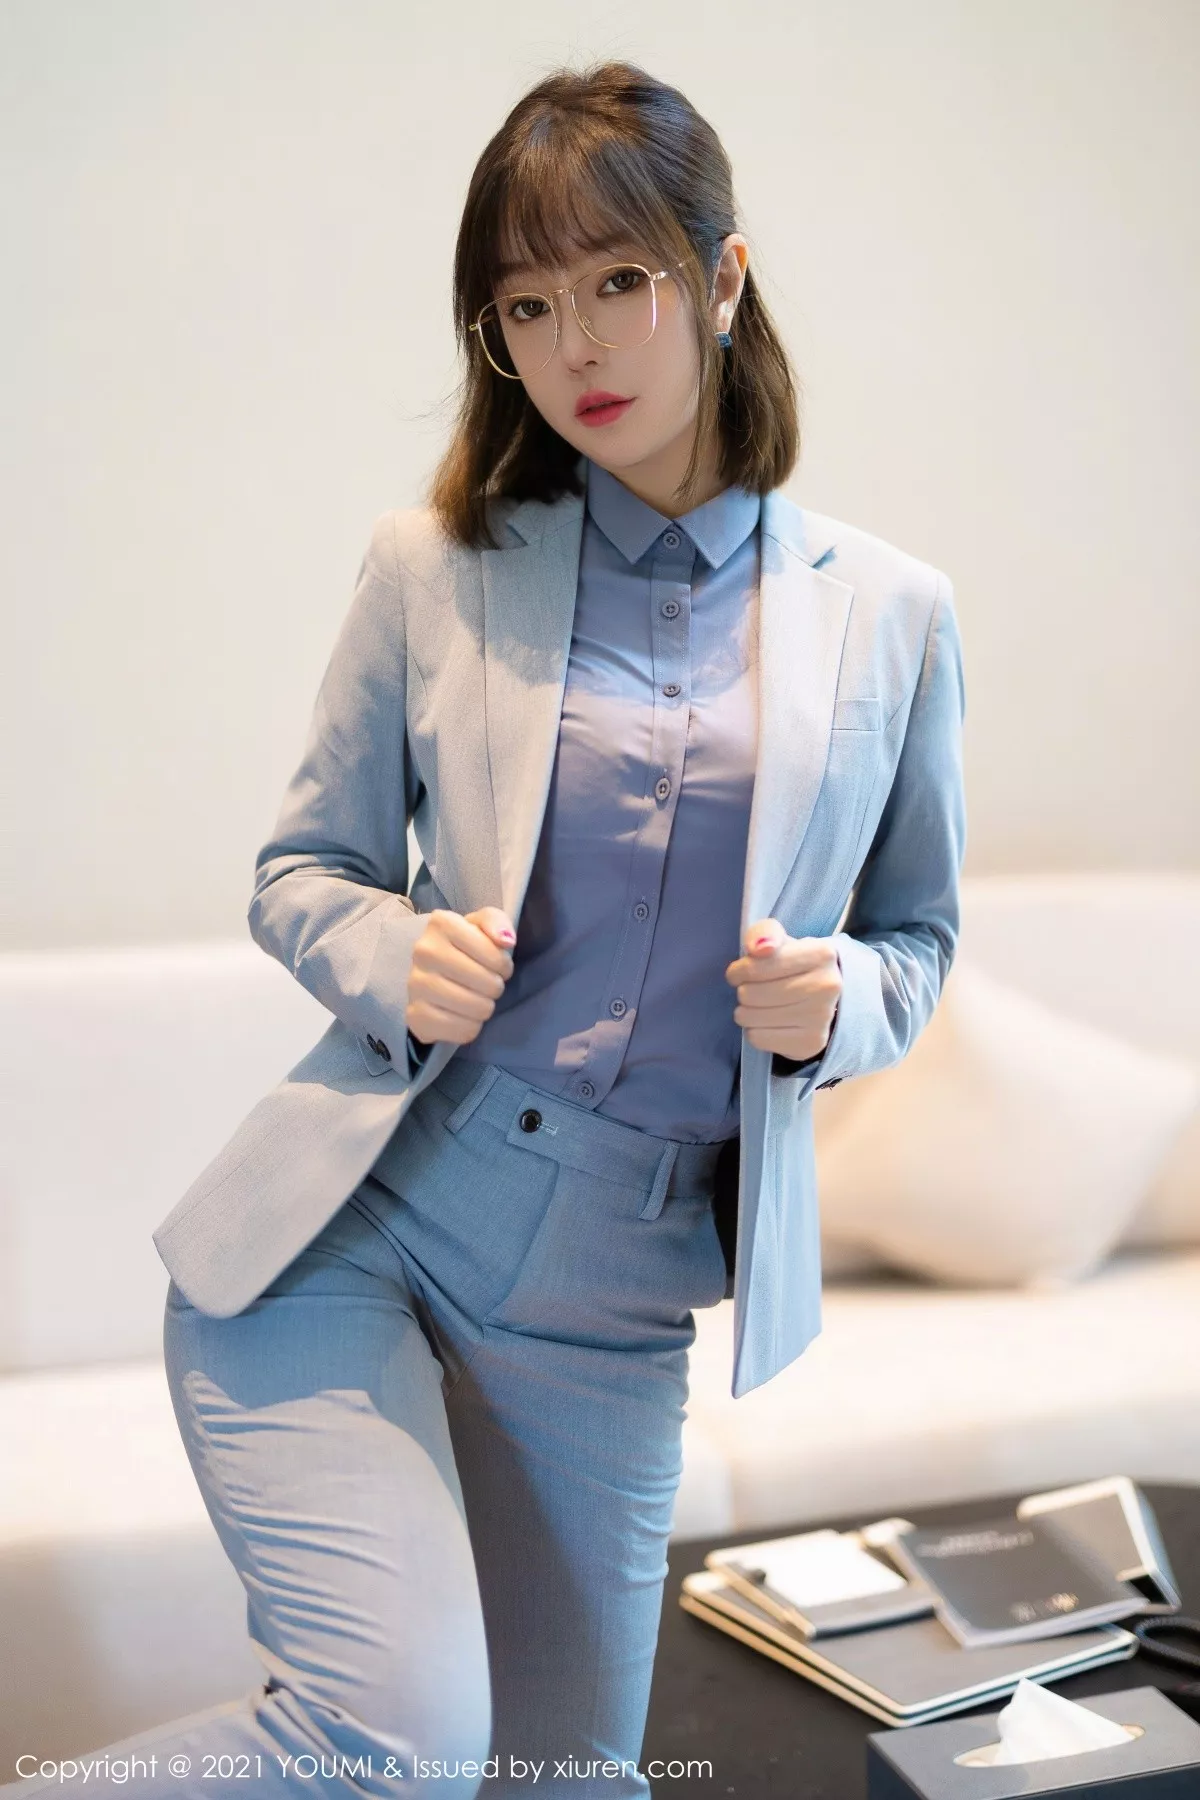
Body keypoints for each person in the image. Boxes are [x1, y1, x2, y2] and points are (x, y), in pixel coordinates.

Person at [5, 58, 965, 1800]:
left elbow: (920, 936)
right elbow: (302, 869)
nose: (574, 343)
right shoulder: (433, 567)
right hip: (361, 1226)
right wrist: (396, 954)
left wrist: (846, 1004)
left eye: (618, 281)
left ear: (724, 282)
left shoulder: (892, 614)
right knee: (395, 1744)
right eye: (525, 306)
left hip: (619, 1294)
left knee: (558, 1786)